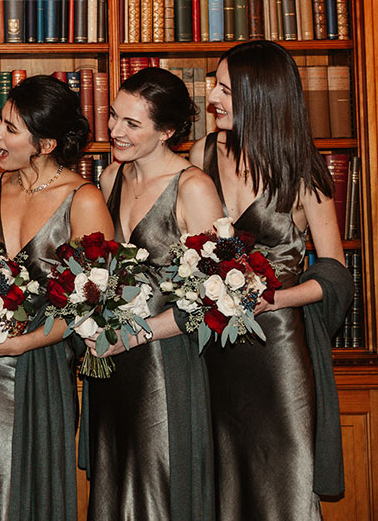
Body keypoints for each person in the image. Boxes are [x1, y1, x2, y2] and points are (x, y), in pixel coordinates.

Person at [190, 40, 353, 520]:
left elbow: (335, 273)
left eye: (224, 88)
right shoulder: (200, 155)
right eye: (213, 84)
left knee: (284, 481)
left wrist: (273, 297)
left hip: (278, 350)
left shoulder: (301, 171)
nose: (211, 97)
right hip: (212, 347)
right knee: (223, 482)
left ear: (260, 96)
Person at [0, 75, 112, 521]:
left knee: (31, 492)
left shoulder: (83, 199)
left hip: (41, 368)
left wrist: (18, 344)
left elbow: (92, 302)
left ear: (44, 145)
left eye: (9, 128)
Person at [85, 67, 223, 521]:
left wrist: (139, 333)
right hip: (111, 364)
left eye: (131, 124)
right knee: (115, 487)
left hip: (167, 364)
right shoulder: (110, 180)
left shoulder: (194, 187)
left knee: (161, 492)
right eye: (112, 116)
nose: (114, 131)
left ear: (166, 131)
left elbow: (217, 297)